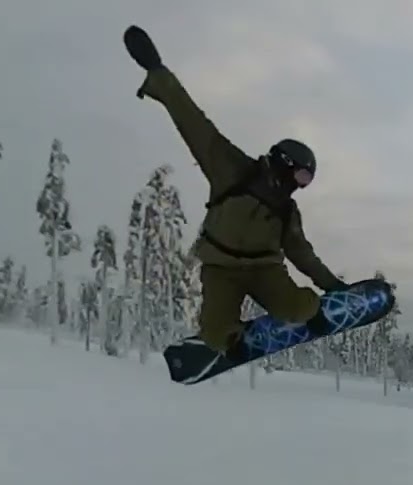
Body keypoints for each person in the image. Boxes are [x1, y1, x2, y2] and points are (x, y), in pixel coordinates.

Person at [122, 25, 350, 358]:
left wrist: (332, 287)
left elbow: (302, 254)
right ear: (285, 164)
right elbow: (194, 123)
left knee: (299, 309)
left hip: (265, 270)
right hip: (221, 268)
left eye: (307, 181)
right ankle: (228, 336)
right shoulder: (232, 169)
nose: (300, 186)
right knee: (215, 336)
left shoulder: (286, 210)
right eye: (302, 177)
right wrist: (156, 71)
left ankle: (306, 308)